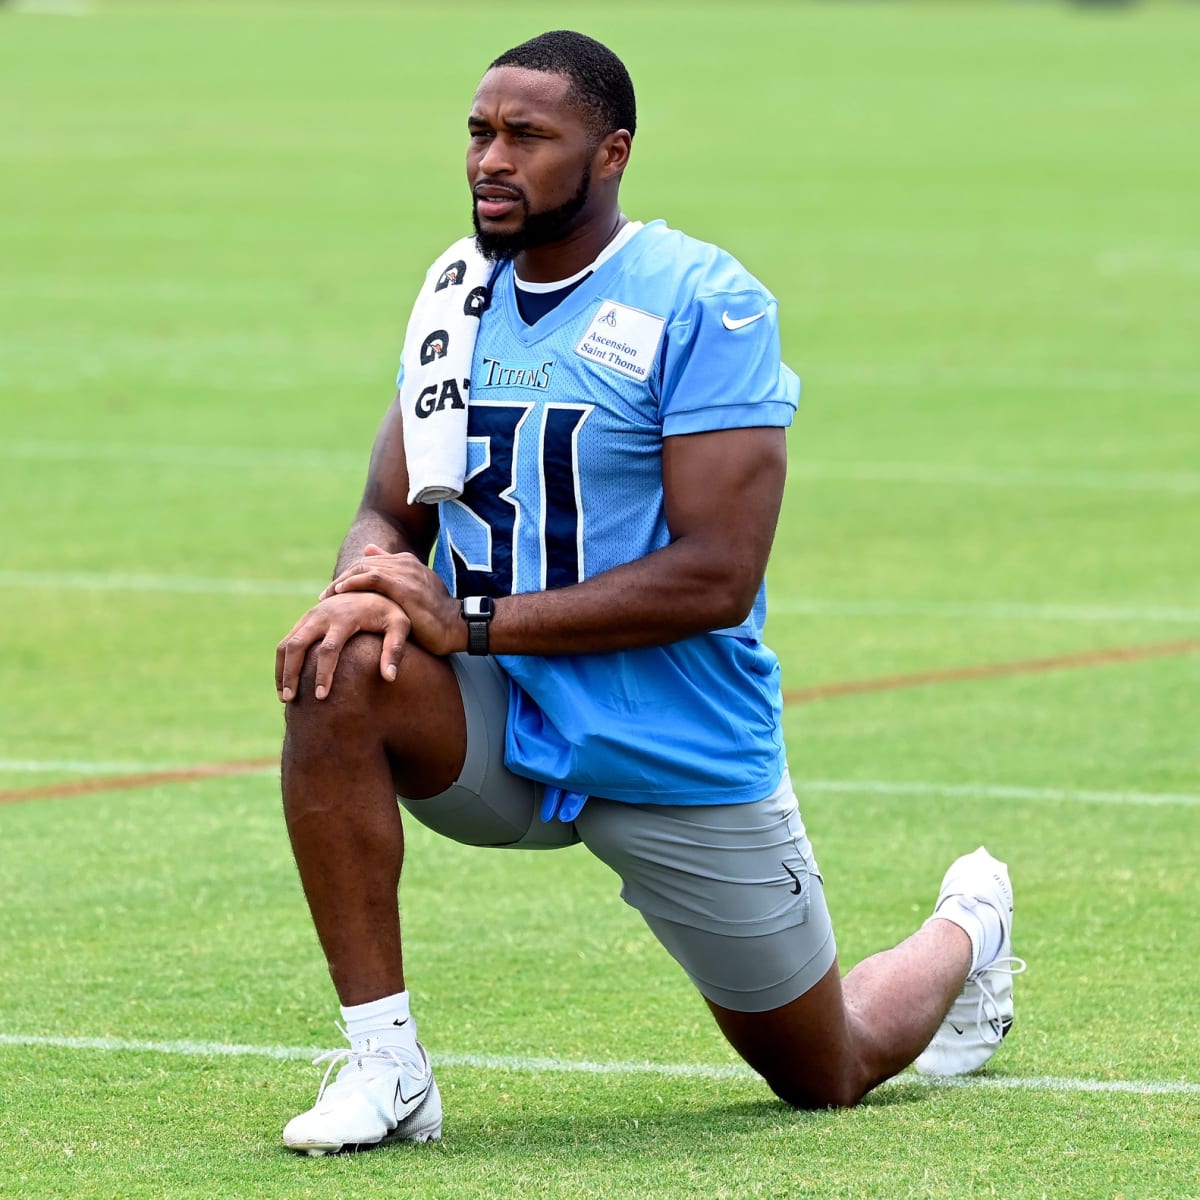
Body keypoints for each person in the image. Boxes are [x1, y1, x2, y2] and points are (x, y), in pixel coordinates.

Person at [273, 30, 1024, 1156]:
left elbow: (718, 576)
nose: (492, 159)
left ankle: (970, 922)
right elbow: (392, 504)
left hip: (669, 735)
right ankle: (388, 1069)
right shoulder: (456, 292)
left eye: (528, 136)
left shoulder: (703, 301)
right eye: (480, 132)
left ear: (612, 151)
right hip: (494, 718)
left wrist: (467, 617)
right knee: (336, 670)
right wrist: (365, 582)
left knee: (830, 1070)